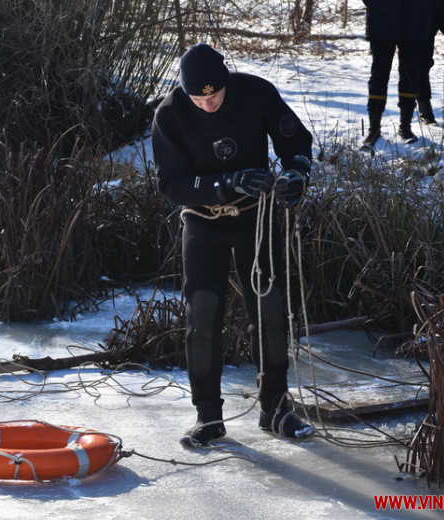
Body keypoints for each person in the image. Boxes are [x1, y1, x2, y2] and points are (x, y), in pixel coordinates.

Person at [151, 42, 315, 447]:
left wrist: (296, 177)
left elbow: (296, 144)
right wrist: (224, 184)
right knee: (203, 315)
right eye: (199, 97)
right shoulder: (170, 114)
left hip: (255, 221)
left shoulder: (255, 92)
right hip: (203, 226)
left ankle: (275, 409)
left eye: (215, 95)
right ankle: (208, 415)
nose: (208, 104)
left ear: (226, 82)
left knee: (270, 309)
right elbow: (172, 186)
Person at [361, 0, 433, 149]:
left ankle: (405, 128)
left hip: (415, 21)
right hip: (382, 21)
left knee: (410, 76)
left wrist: (424, 6)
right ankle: (373, 130)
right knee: (379, 76)